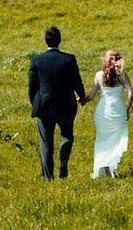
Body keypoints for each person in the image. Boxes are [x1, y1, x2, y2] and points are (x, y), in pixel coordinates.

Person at [28, 25, 88, 180]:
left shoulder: (36, 60)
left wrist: (35, 103)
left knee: (46, 143)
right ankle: (63, 161)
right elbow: (77, 81)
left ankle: (48, 177)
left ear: (45, 42)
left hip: (44, 106)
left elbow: (32, 87)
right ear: (59, 41)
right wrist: (82, 96)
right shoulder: (69, 59)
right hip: (66, 105)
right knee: (67, 136)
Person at [88, 48, 133, 178]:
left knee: (102, 140)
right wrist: (127, 110)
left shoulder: (99, 75)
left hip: (103, 112)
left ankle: (105, 169)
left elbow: (91, 95)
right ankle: (109, 169)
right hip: (118, 111)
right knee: (114, 141)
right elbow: (131, 94)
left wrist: (83, 99)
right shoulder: (123, 75)